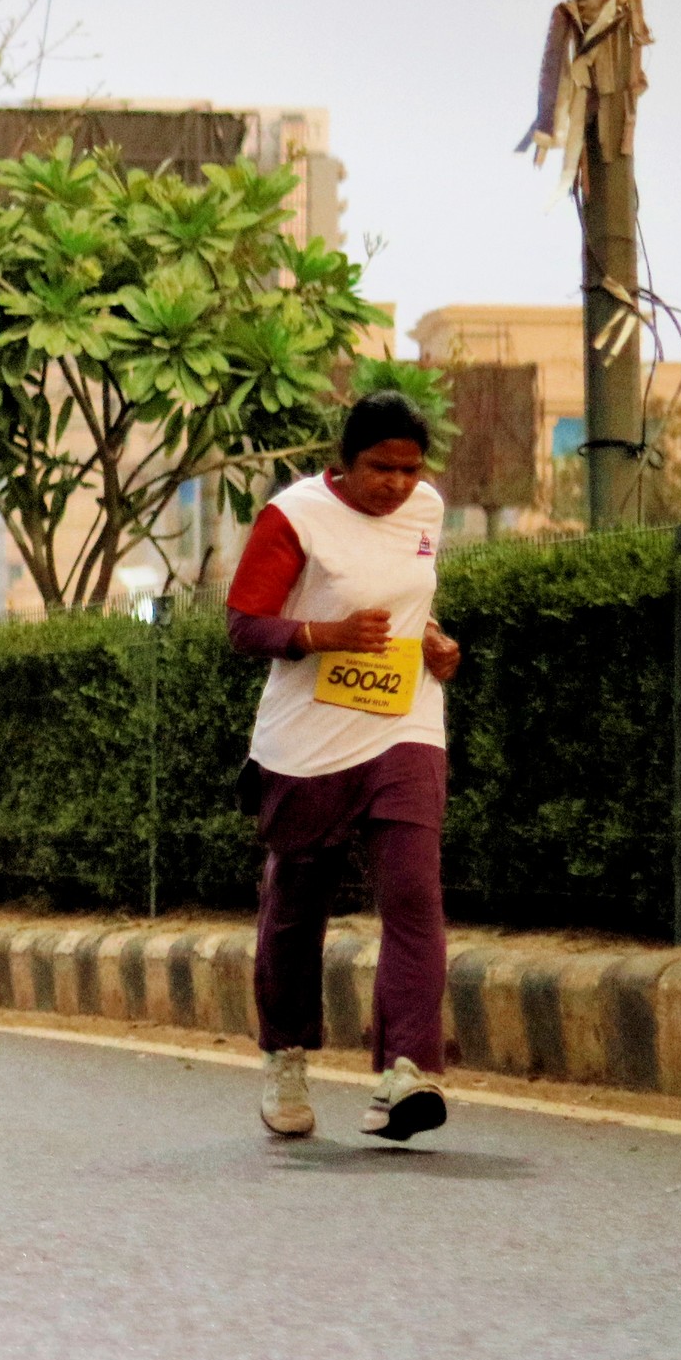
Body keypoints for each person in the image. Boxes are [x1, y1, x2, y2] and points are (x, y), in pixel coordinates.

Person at [224, 391, 463, 1144]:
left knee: (414, 893)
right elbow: (244, 625)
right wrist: (325, 635)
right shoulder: (295, 516)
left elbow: (406, 601)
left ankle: (407, 1071)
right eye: (380, 468)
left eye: (410, 469)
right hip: (310, 742)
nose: (398, 484)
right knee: (298, 906)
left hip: (405, 724)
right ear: (345, 461)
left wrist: (434, 639)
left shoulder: (427, 510)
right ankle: (286, 1057)